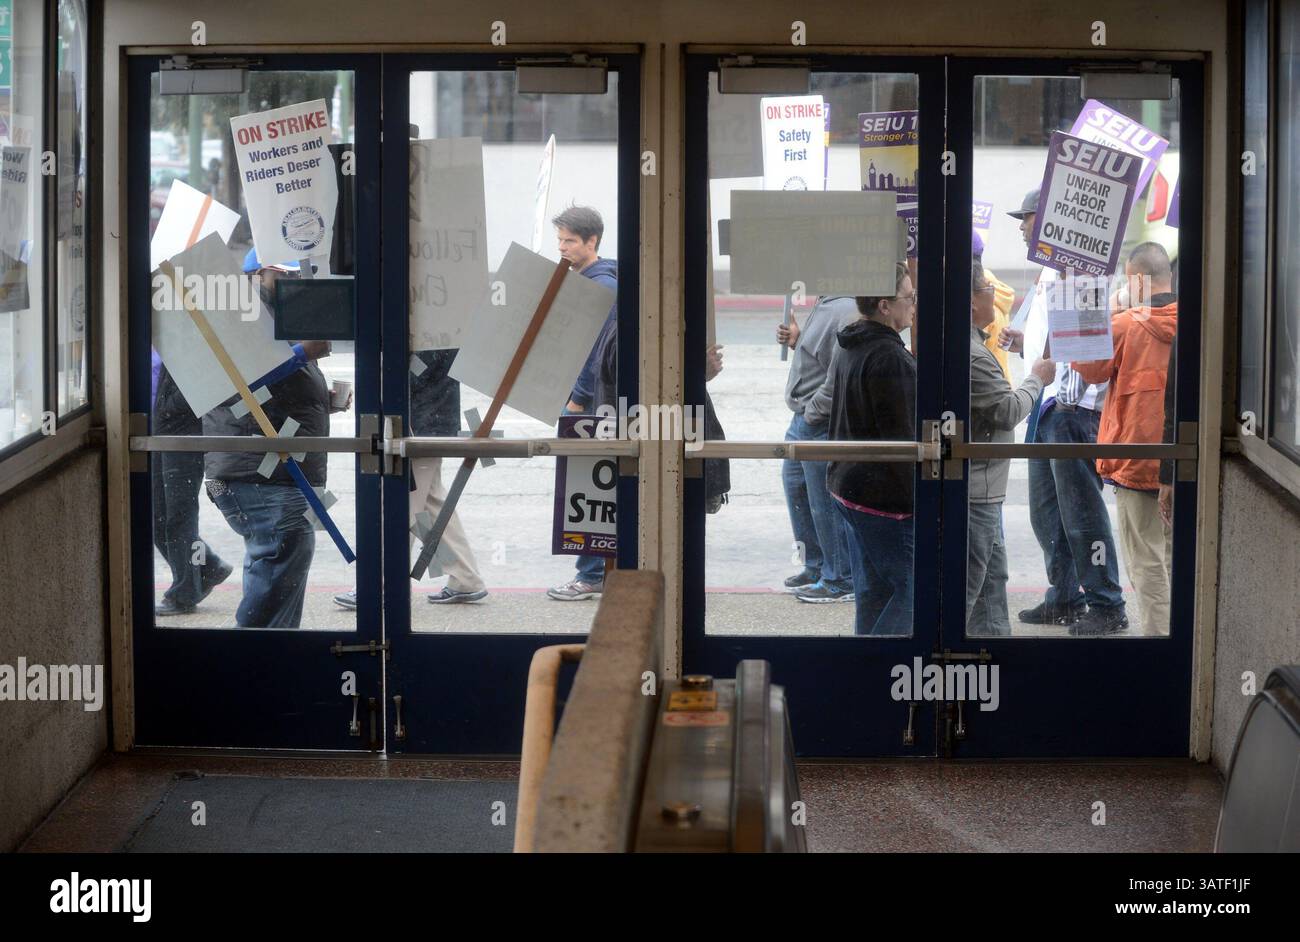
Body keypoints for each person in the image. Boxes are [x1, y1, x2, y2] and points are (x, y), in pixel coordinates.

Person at [1000, 189, 1127, 636]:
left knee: (1081, 513)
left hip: (1069, 408)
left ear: (1050, 221)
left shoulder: (1081, 266)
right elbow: (1051, 336)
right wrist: (1025, 344)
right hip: (1047, 404)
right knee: (1048, 512)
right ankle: (1066, 596)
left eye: (1028, 217)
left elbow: (1084, 339)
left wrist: (1054, 366)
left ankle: (1106, 602)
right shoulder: (1050, 271)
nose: (1021, 225)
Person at [203, 251, 344, 628]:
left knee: (285, 555)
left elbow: (270, 393)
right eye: (287, 273)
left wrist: (322, 401)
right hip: (258, 471)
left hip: (274, 467)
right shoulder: (244, 315)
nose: (297, 280)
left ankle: (273, 657)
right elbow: (241, 379)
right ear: (258, 274)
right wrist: (303, 353)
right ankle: (256, 662)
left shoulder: (279, 313)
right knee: (280, 551)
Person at [1071, 242, 1178, 636]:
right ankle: (1181, 637)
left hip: (1136, 461)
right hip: (1180, 459)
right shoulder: (1195, 322)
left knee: (1145, 559)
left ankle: (1159, 640)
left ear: (1135, 280)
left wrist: (1107, 307)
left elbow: (1086, 366)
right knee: (1171, 554)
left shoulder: (1127, 324)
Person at [332, 349, 488, 610]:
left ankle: (379, 584)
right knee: (430, 503)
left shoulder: (424, 331)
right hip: (429, 421)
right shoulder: (442, 329)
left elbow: (404, 376)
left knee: (402, 504)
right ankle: (465, 578)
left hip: (415, 425)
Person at [827, 262, 916, 637]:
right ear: (884, 305)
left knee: (874, 588)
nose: (914, 304)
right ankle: (880, 666)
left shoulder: (852, 345)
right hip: (884, 498)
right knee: (915, 590)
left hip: (847, 486)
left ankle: (864, 664)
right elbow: (903, 440)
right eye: (908, 298)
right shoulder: (890, 358)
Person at [968, 265, 1055, 635]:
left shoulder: (975, 344)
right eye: (988, 287)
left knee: (992, 577)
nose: (995, 292)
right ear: (973, 302)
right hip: (977, 493)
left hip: (986, 489)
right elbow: (1007, 411)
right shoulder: (972, 354)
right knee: (971, 585)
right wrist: (1037, 379)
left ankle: (993, 657)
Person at [549, 205, 619, 601]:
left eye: (570, 241)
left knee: (586, 491)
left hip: (590, 403)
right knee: (588, 488)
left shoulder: (600, 285)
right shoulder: (584, 278)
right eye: (559, 240)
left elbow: (595, 353)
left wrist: (577, 401)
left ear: (592, 241)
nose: (562, 248)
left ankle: (591, 574)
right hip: (585, 398)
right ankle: (596, 571)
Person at [776, 294, 859, 603]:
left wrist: (814, 411)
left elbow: (840, 373)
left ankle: (839, 577)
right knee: (798, 488)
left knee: (822, 500)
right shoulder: (828, 302)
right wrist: (799, 341)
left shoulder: (846, 308)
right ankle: (817, 566)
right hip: (804, 417)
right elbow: (824, 356)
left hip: (817, 418)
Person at [151, 350, 232, 616]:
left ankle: (184, 593)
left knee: (179, 515)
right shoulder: (155, 339)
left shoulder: (189, 339)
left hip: (184, 436)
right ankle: (209, 567)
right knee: (157, 518)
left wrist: (167, 407)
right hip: (157, 433)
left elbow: (205, 387)